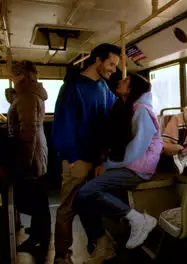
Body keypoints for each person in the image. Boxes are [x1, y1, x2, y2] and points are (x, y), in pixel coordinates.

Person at [74, 73, 161, 264]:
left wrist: (108, 166)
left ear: (132, 89)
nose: (120, 82)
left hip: (139, 168)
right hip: (131, 164)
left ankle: (137, 219)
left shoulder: (142, 111)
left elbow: (136, 151)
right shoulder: (129, 108)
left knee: (86, 192)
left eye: (125, 81)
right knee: (85, 197)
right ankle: (103, 243)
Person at [52, 43, 121, 264]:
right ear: (97, 59)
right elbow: (63, 124)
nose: (113, 69)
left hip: (97, 158)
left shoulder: (103, 87)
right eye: (111, 63)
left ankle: (97, 245)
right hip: (78, 159)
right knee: (68, 207)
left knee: (90, 203)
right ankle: (62, 254)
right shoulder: (73, 87)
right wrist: (71, 157)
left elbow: (112, 114)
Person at [7, 60, 50, 263]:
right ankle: (41, 230)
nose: (12, 78)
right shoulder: (27, 94)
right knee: (39, 196)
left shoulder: (27, 96)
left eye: (15, 75)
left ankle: (37, 238)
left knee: (37, 198)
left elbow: (28, 131)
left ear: (22, 76)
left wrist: (24, 162)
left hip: (31, 153)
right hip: (36, 151)